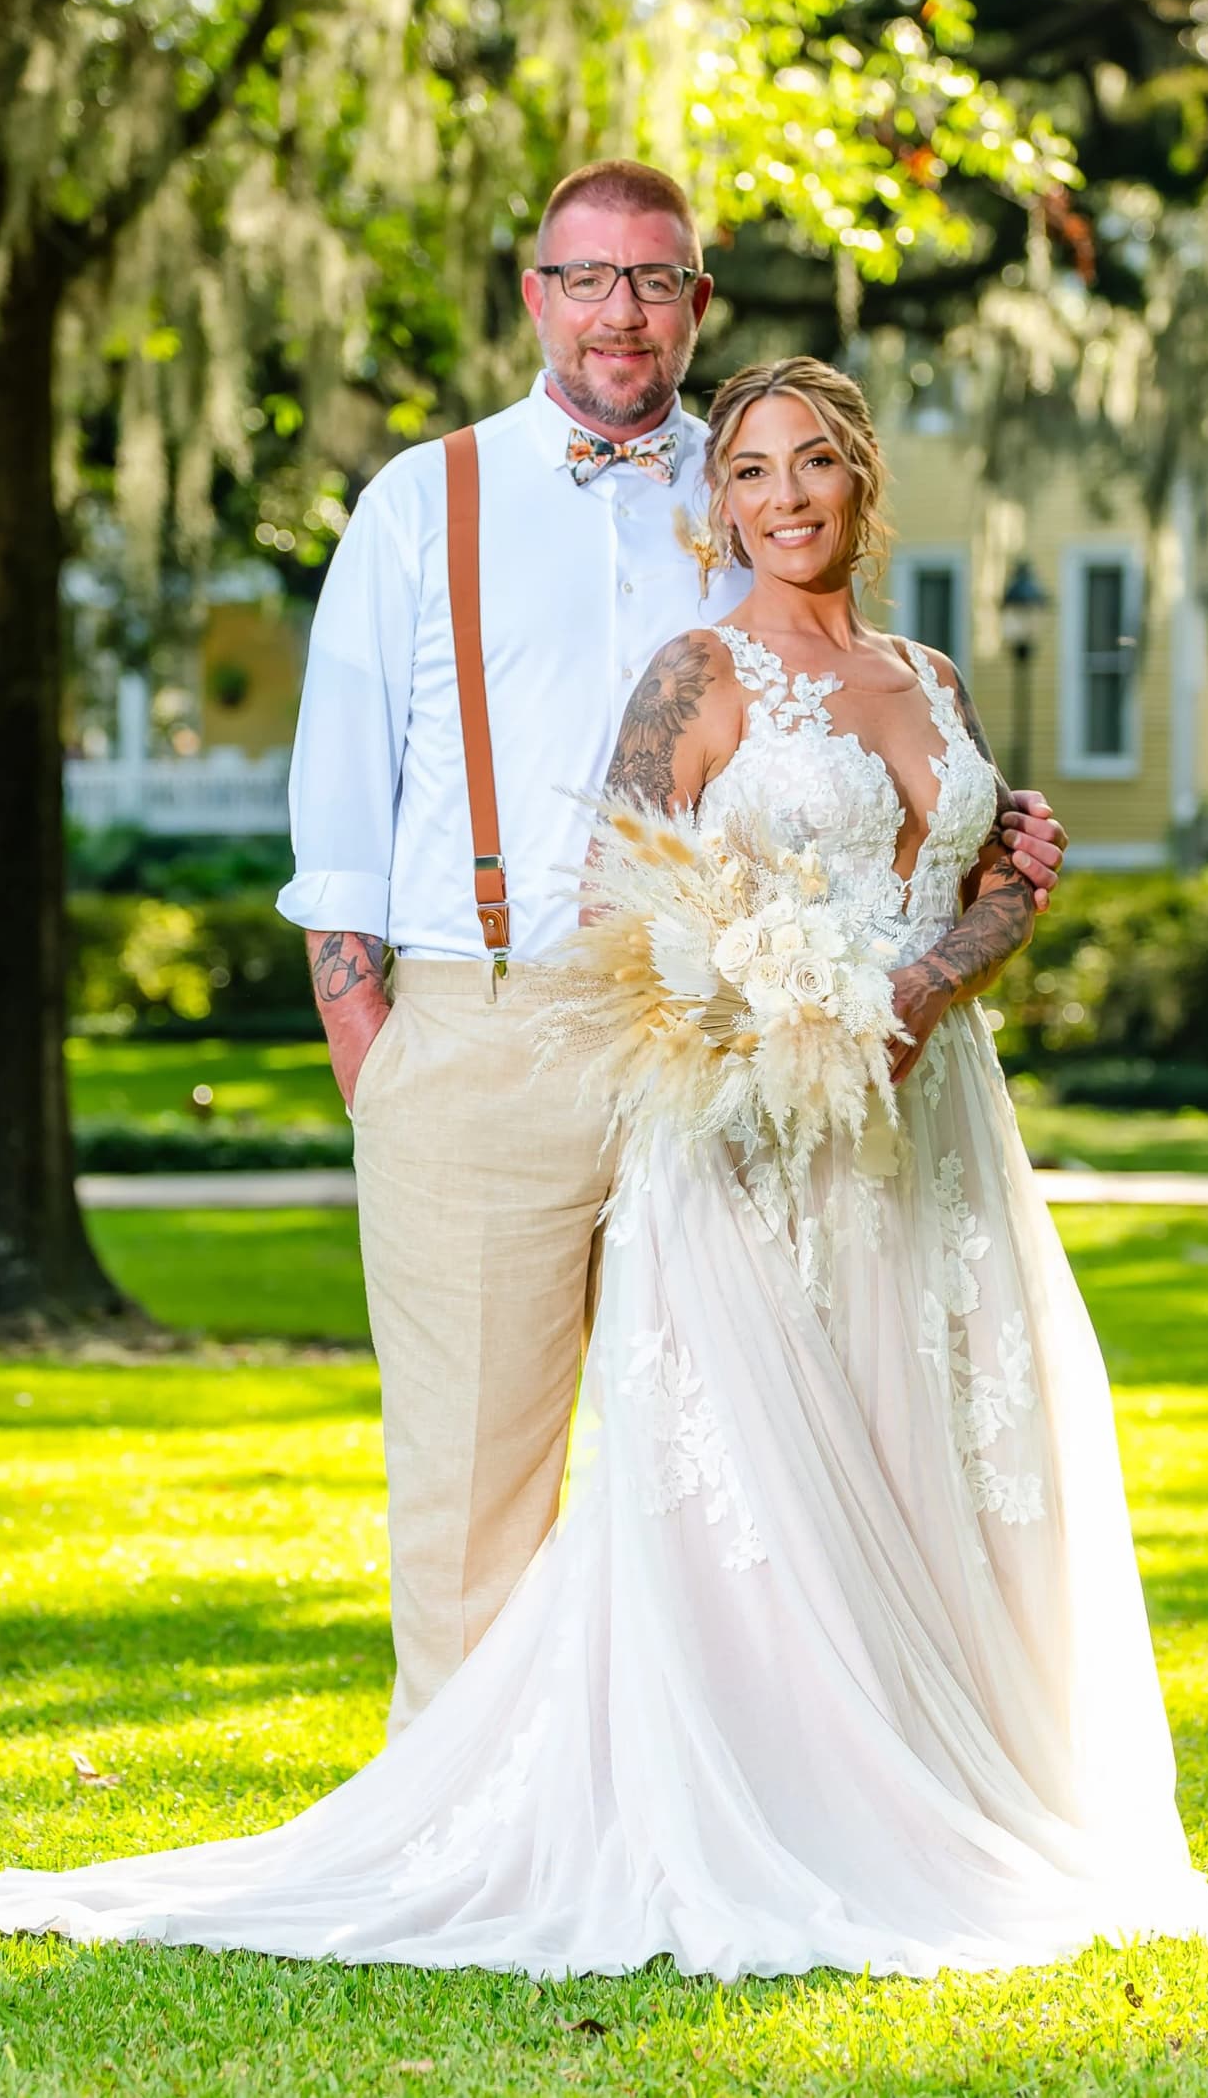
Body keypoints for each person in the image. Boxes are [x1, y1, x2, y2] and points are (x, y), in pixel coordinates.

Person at [0, 354, 1208, 1977]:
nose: (782, 497)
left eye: (812, 464)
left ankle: (955, 1789)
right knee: (760, 1497)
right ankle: (775, 1807)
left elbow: (997, 882)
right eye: (748, 472)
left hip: (931, 1137)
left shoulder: (931, 675)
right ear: (720, 500)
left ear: (863, 479)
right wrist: (777, 1008)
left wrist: (932, 980)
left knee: (934, 1461)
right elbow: (617, 907)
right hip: (745, 1137)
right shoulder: (692, 670)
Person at [263, 158, 1061, 1735]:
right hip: (486, 1030)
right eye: (586, 277)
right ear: (533, 293)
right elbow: (340, 810)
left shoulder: (760, 476)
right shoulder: (425, 501)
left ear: (699, 300)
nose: (618, 311)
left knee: (762, 1466)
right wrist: (383, 1062)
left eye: (652, 279)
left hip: (759, 1060)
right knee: (476, 1481)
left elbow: (852, 724)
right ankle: (472, 1831)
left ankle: (744, 1794)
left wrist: (992, 829)